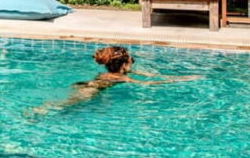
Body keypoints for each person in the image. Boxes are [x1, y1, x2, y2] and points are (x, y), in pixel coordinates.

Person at [30, 46, 201, 115]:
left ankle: (44, 107)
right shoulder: (123, 77)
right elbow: (148, 83)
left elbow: (148, 76)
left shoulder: (116, 73)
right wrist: (176, 81)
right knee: (66, 104)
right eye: (131, 61)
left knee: (68, 101)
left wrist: (174, 77)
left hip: (85, 84)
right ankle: (42, 109)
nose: (133, 63)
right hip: (90, 91)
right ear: (124, 65)